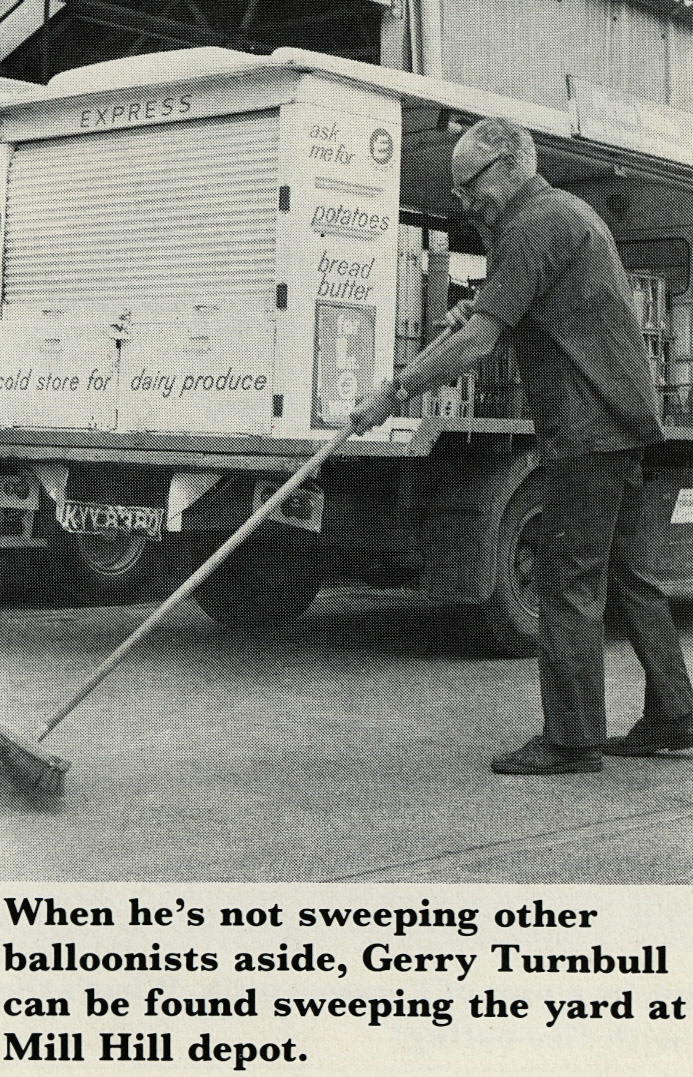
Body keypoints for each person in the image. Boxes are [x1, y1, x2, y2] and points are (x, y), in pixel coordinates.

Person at [351, 116, 693, 775]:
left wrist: (393, 392)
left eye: (468, 185)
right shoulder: (564, 215)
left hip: (586, 427)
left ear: (508, 166)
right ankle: (675, 713)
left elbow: (479, 343)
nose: (464, 201)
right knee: (627, 576)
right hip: (621, 421)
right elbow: (526, 310)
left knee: (567, 581)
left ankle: (570, 740)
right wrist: (479, 306)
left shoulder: (532, 225)